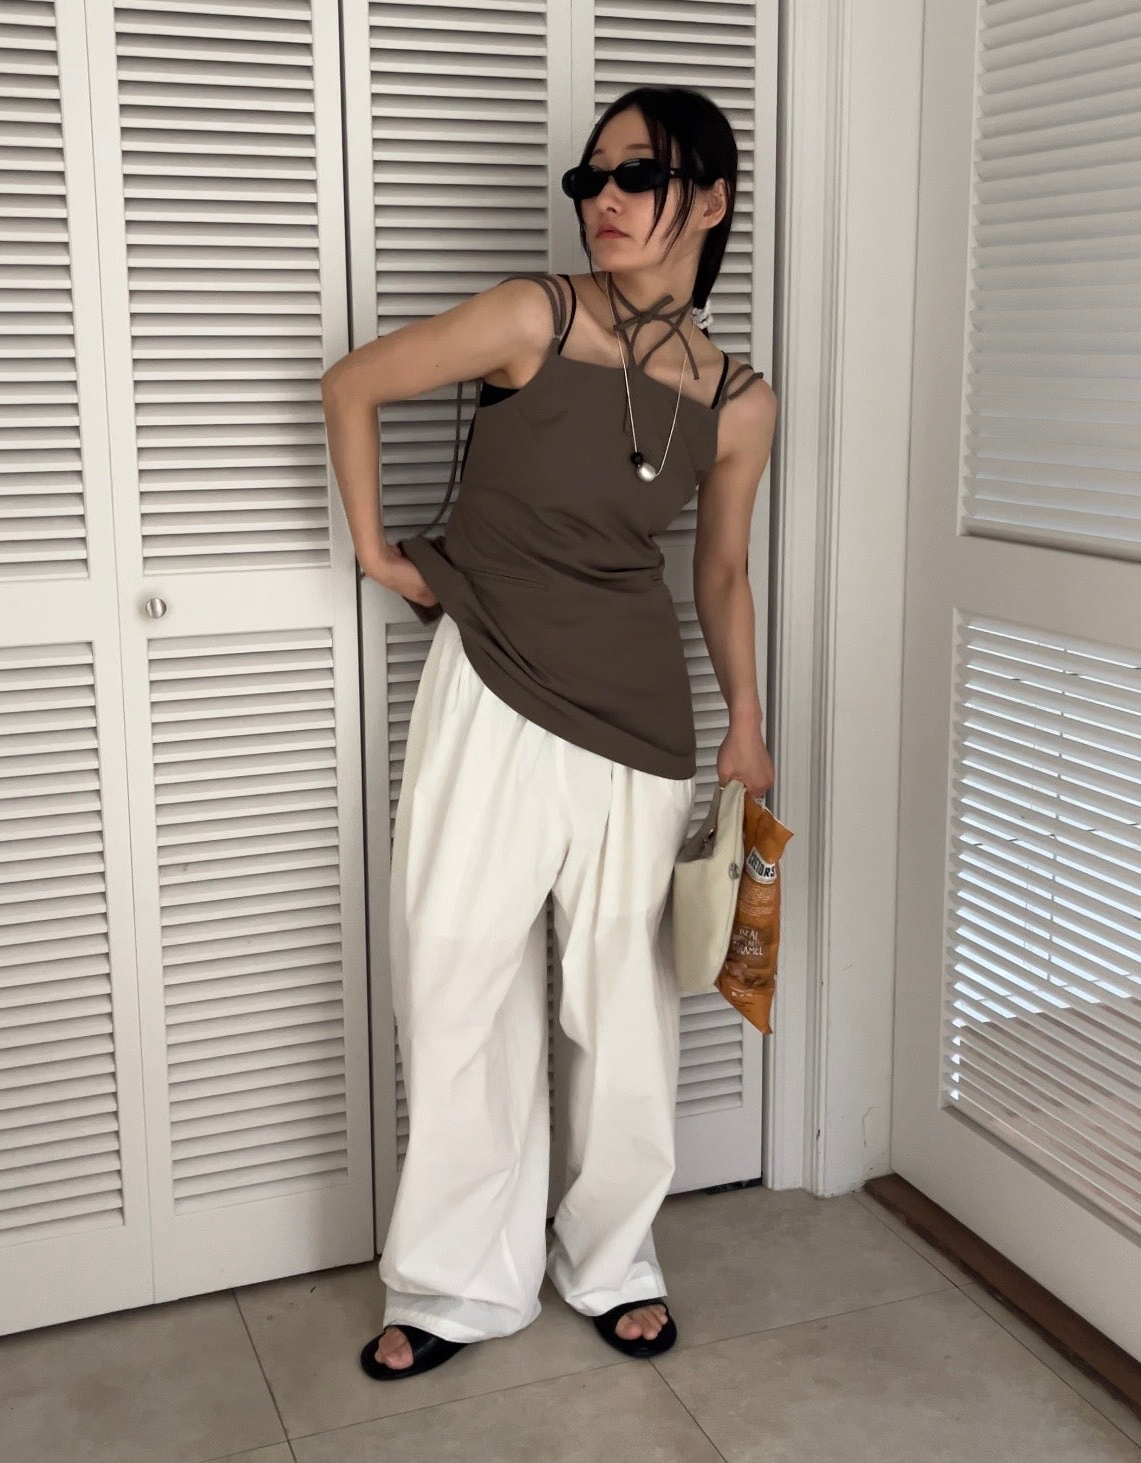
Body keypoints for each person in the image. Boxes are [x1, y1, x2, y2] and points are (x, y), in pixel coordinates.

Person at [321, 84, 777, 1382]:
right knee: (455, 981)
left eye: (638, 174)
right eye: (592, 178)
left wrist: (747, 722)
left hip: (638, 719)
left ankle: (614, 1258)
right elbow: (352, 384)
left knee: (624, 1010)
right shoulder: (536, 314)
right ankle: (457, 1281)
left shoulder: (739, 398)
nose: (605, 200)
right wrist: (378, 554)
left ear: (712, 199)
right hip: (489, 684)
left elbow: (720, 573)